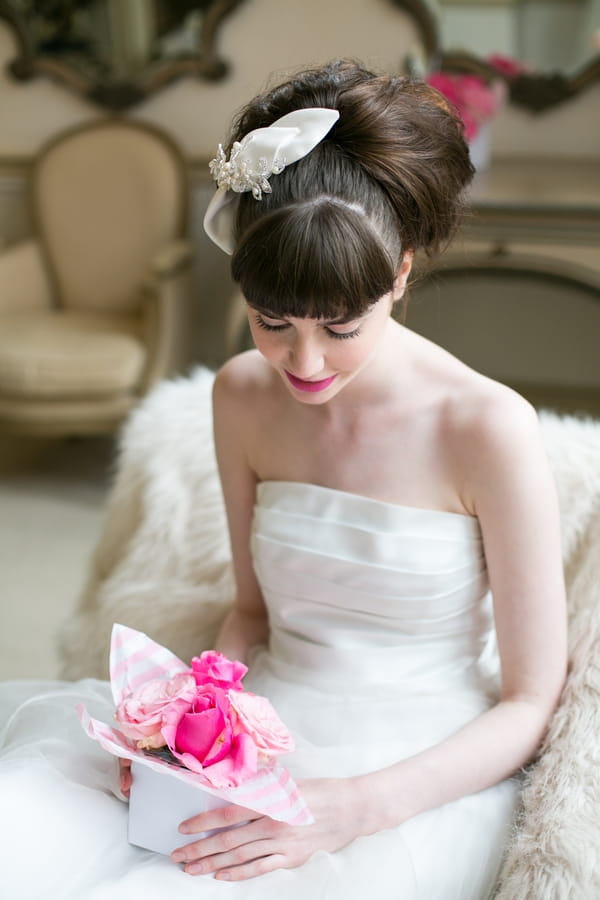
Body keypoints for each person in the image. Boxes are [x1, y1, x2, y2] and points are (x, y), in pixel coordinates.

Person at [0, 60, 566, 900]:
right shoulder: (241, 395)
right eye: (273, 322)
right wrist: (182, 740)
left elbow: (529, 700)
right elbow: (251, 612)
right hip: (267, 727)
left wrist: (349, 809)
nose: (304, 362)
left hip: (410, 768)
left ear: (401, 271)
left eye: (342, 326)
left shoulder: (486, 429)